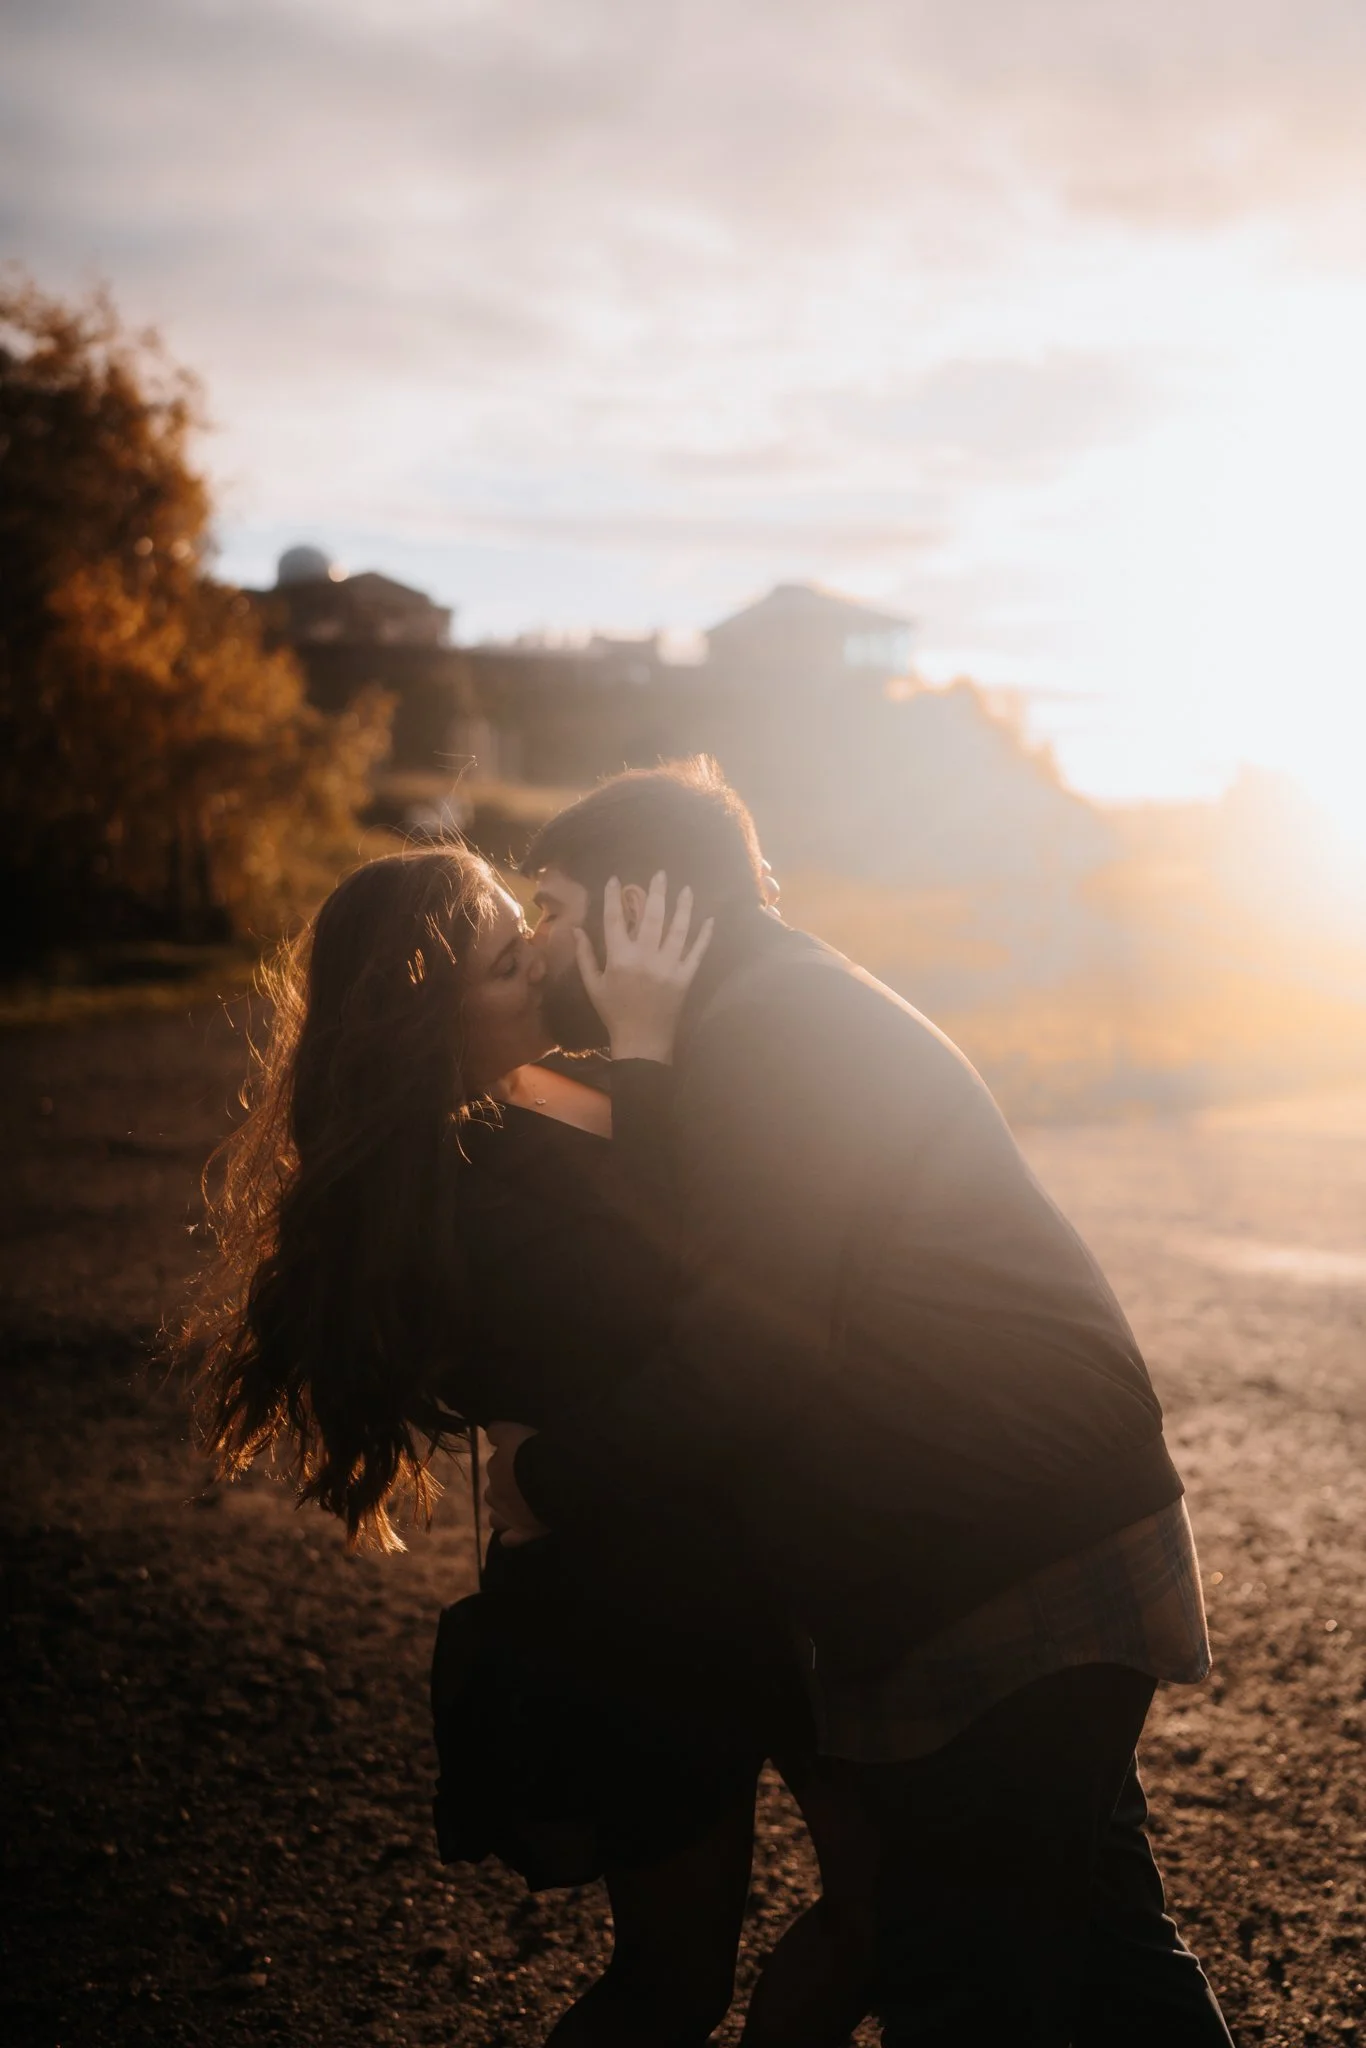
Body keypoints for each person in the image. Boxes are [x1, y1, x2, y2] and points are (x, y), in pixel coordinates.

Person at [486, 755, 1237, 2047]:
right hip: (1035, 1523)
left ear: (640, 913)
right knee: (1097, 1944)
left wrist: (552, 1477)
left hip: (1001, 1563)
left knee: (968, 1975)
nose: (539, 942)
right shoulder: (762, 1009)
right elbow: (695, 1236)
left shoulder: (775, 1033)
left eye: (552, 909)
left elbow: (744, 1340)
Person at [179, 846, 835, 2048]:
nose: (537, 946)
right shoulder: (469, 1183)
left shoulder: (524, 1101)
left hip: (692, 1567)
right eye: (502, 950)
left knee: (864, 1902)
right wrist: (643, 1037)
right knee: (673, 1983)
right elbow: (676, 1245)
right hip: (644, 1606)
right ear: (432, 1012)